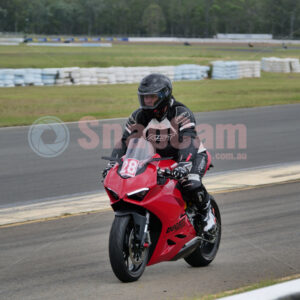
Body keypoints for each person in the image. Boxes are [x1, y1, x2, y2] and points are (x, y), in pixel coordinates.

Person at [103, 73, 217, 239]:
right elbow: (124, 142)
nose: (147, 101)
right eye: (144, 98)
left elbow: (189, 140)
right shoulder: (139, 116)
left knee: (190, 183)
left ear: (164, 96)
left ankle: (207, 214)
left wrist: (184, 164)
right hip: (160, 159)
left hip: (190, 155)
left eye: (151, 97)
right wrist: (112, 165)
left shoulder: (180, 113)